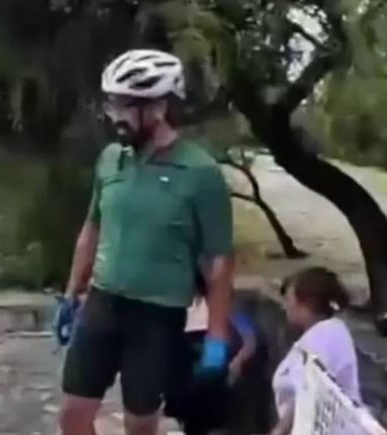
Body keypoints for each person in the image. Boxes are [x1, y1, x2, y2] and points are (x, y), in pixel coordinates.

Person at [53, 48, 235, 435]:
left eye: (126, 105)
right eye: (112, 104)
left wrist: (217, 334)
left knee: (140, 423)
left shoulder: (201, 173)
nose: (115, 115)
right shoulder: (110, 159)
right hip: (103, 301)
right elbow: (92, 228)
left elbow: (218, 260)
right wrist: (71, 294)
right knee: (72, 415)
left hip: (158, 315)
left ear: (159, 108)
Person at [268, 267, 361, 435]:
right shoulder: (326, 332)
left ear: (306, 303)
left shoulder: (324, 337)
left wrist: (279, 431)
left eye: (289, 300)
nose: (285, 306)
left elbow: (307, 393)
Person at [165, 299, 267, 435]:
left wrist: (235, 366)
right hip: (190, 377)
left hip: (214, 379)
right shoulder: (184, 311)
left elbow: (250, 343)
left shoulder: (234, 314)